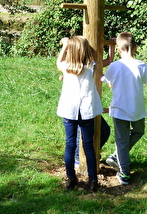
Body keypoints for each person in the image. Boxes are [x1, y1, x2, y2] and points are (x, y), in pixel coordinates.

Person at [101, 32, 147, 185]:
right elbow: (144, 81)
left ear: (118, 49)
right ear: (135, 47)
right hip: (133, 107)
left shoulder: (115, 66)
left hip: (124, 108)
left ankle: (117, 156)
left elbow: (107, 82)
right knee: (130, 136)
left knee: (133, 135)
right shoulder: (141, 65)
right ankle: (124, 173)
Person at [56, 36, 103, 192]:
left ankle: (71, 178)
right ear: (85, 51)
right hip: (86, 112)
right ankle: (93, 180)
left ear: (71, 51)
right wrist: (84, 44)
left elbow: (58, 61)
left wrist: (65, 45)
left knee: (70, 145)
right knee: (89, 146)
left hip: (69, 111)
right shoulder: (90, 66)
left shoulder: (65, 66)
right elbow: (92, 56)